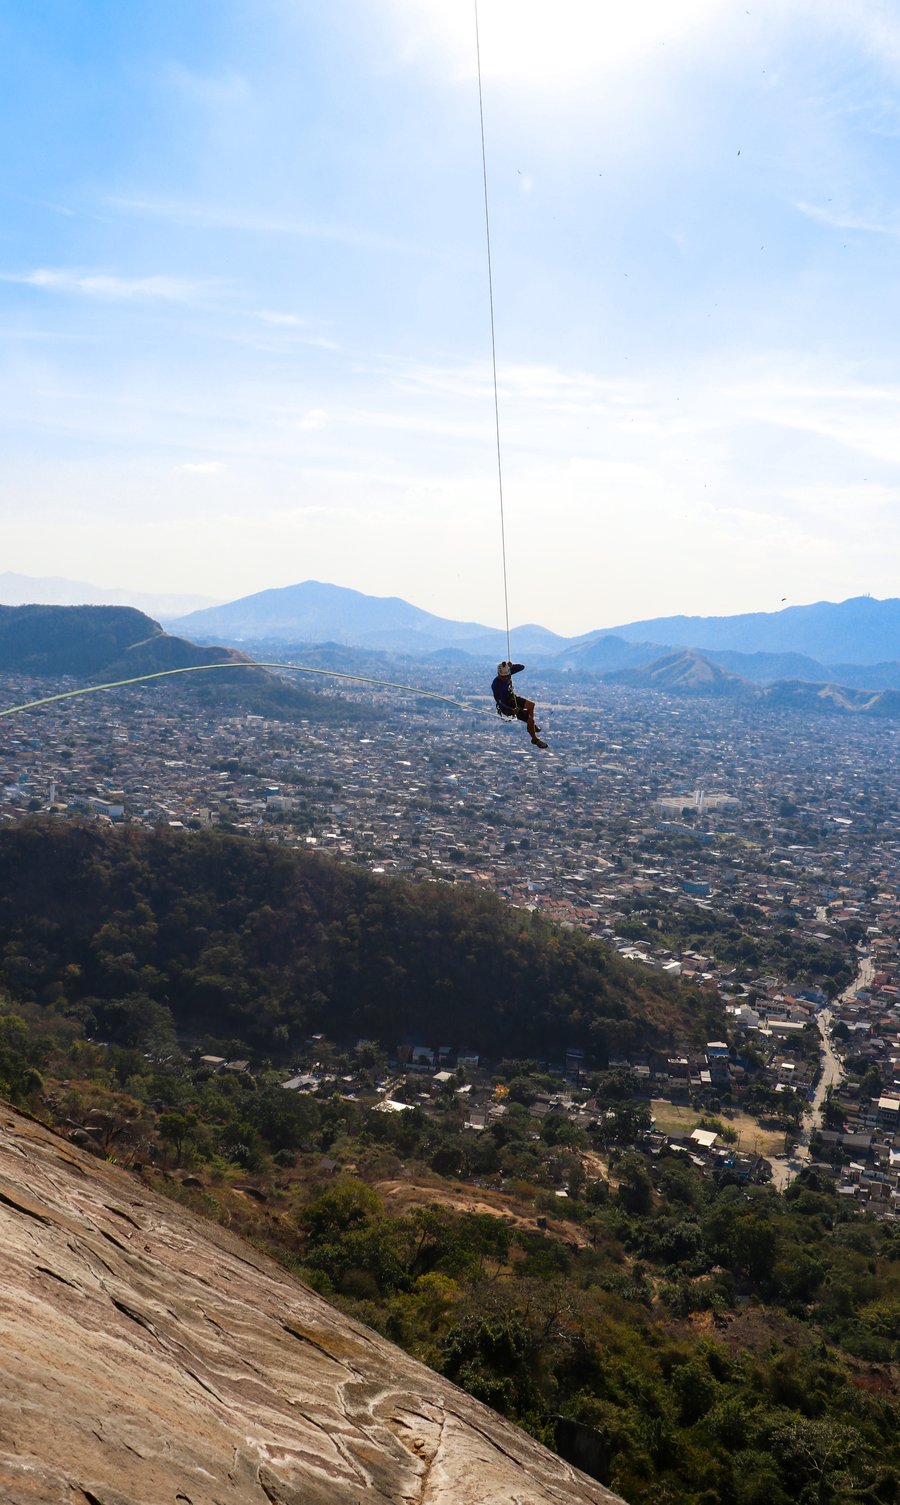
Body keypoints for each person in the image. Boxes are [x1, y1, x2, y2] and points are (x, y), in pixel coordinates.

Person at [491, 661, 547, 748]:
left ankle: (531, 725)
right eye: (503, 677)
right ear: (499, 674)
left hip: (512, 699)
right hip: (508, 706)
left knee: (531, 705)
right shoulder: (497, 685)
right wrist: (511, 711)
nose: (506, 678)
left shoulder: (507, 674)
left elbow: (522, 667)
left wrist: (511, 667)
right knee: (530, 719)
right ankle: (534, 739)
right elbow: (501, 703)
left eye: (507, 676)